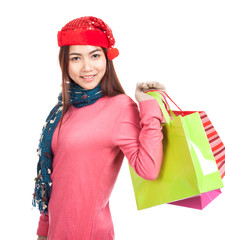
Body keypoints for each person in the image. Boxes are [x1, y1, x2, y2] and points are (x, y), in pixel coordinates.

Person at [32, 16, 167, 240]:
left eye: (95, 55)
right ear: (65, 63)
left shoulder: (120, 107)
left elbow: (149, 169)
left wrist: (149, 107)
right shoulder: (62, 109)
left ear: (107, 57)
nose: (87, 67)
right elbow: (53, 179)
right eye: (76, 58)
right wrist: (43, 232)